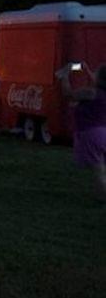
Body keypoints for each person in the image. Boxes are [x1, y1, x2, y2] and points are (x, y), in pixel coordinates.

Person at [56, 63, 106, 201]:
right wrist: (88, 70)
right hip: (103, 131)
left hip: (91, 133)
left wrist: (64, 76)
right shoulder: (101, 94)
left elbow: (68, 95)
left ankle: (102, 197)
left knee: (98, 169)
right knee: (101, 166)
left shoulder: (91, 93)